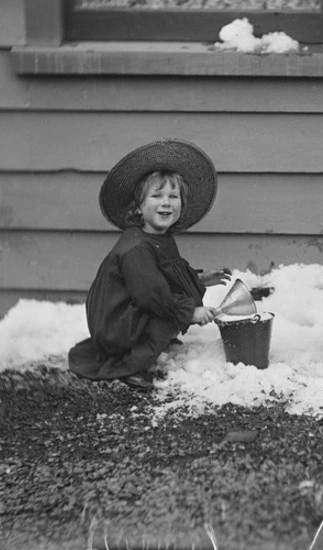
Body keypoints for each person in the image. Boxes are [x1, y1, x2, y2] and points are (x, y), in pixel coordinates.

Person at [68, 139, 232, 391]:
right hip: (116, 327)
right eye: (156, 196)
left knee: (172, 302)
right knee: (166, 311)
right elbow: (151, 294)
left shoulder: (156, 237)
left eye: (173, 196)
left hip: (127, 315)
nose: (166, 203)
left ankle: (147, 344)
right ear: (139, 207)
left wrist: (198, 278)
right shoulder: (135, 248)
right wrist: (189, 313)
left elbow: (165, 274)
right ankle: (132, 365)